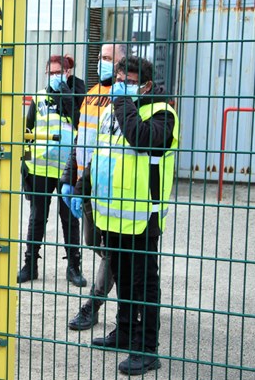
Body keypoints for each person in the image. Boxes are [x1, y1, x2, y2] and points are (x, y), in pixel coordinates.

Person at [70, 56, 177, 375]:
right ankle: (125, 332)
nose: (121, 84)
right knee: (125, 284)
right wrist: (79, 184)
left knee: (143, 285)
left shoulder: (161, 111)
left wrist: (122, 100)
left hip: (143, 218)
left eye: (129, 80)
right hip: (112, 216)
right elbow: (102, 152)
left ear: (145, 85)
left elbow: (140, 138)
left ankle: (147, 349)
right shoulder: (113, 110)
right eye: (119, 78)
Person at [60, 44, 128, 331]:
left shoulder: (126, 97)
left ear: (122, 63)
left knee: (112, 249)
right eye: (101, 57)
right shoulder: (90, 95)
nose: (103, 62)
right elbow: (81, 140)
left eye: (110, 58)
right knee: (94, 243)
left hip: (112, 188)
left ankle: (93, 304)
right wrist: (69, 180)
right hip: (87, 183)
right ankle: (129, 277)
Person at [18, 54, 87, 287]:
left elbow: (82, 125)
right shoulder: (39, 97)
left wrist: (68, 97)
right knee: (37, 217)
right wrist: (24, 164)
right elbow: (27, 132)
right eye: (52, 73)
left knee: (69, 218)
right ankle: (30, 265)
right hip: (39, 169)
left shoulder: (77, 96)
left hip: (68, 168)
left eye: (60, 73)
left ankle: (73, 266)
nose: (55, 77)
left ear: (67, 74)